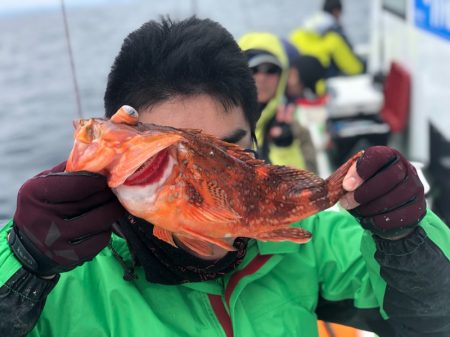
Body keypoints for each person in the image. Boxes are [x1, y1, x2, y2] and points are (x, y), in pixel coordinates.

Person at [0, 16, 449, 337]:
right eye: (173, 160)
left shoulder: (306, 241)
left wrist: (403, 235)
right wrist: (22, 264)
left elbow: (434, 317)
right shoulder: (63, 275)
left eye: (231, 152)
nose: (205, 191)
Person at [239, 32, 318, 172]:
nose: (262, 78)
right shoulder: (218, 125)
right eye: (253, 69)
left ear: (282, 77)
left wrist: (285, 148)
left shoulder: (298, 130)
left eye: (271, 70)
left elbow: (309, 188)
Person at [289, 0, 365, 77]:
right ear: (336, 11)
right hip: (321, 80)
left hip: (300, 78)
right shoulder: (335, 36)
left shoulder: (297, 33)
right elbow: (353, 68)